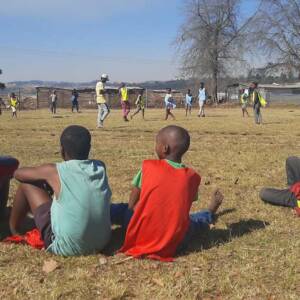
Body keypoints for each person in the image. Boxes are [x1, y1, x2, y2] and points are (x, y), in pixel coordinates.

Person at [110, 125, 224, 261]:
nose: (155, 147)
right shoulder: (192, 177)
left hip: (141, 233)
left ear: (165, 148)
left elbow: (133, 198)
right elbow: (186, 203)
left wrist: (131, 213)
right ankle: (209, 213)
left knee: (120, 209)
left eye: (156, 143)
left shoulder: (149, 167)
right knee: (193, 222)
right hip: (175, 242)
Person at [9, 125, 112, 256]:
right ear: (89, 148)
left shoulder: (54, 171)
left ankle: (15, 230)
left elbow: (18, 174)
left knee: (26, 185)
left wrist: (43, 179)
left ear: (62, 150)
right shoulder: (100, 166)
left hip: (66, 247)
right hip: (101, 242)